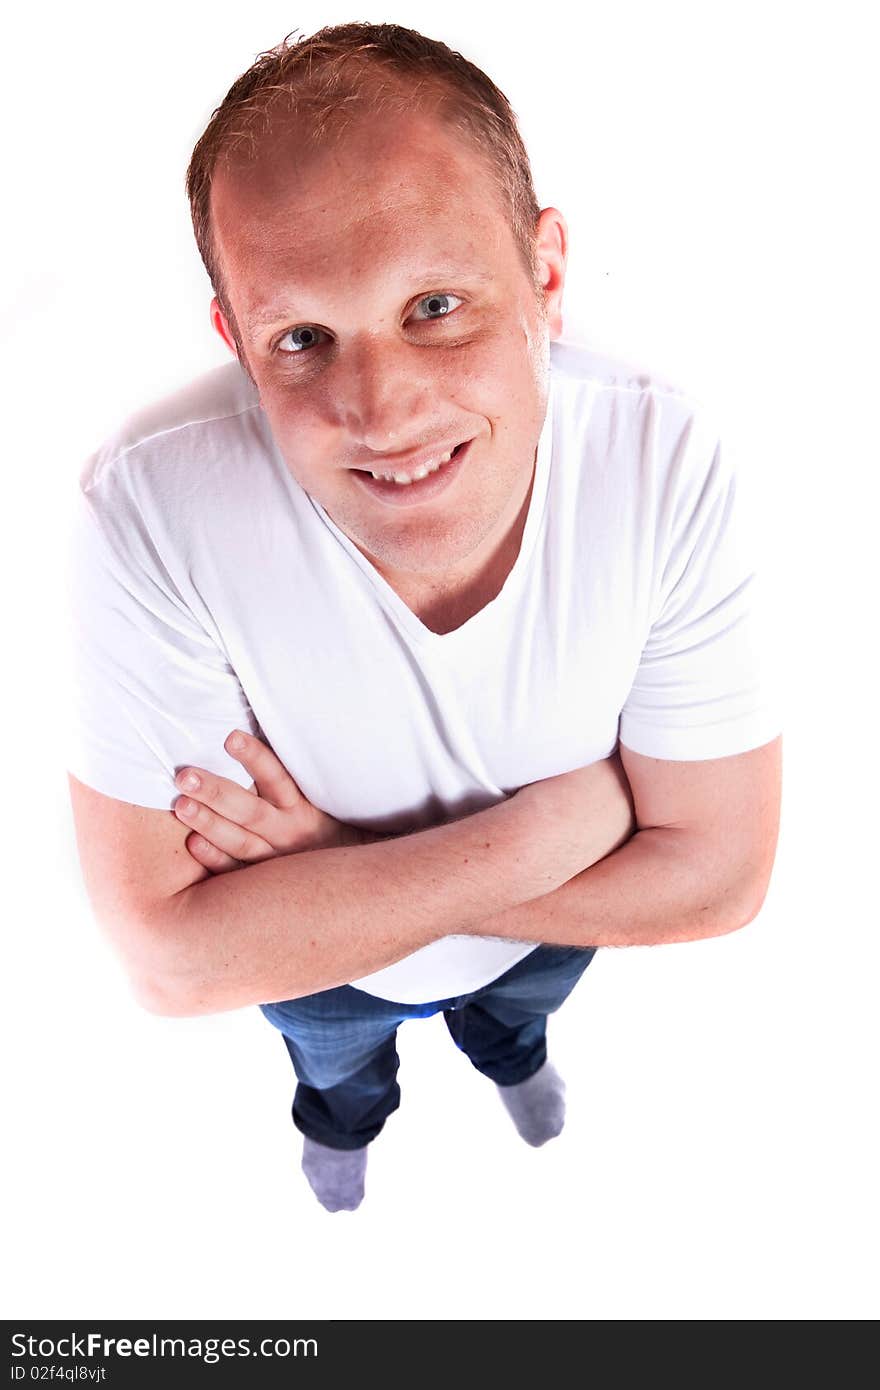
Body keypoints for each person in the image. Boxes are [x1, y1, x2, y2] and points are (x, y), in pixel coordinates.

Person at [65, 21, 782, 1214]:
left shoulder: (665, 457)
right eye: (301, 338)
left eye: (435, 305)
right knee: (336, 1069)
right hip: (329, 983)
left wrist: (336, 868)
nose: (380, 409)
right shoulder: (146, 502)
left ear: (545, 274)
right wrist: (575, 824)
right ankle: (345, 1131)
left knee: (518, 1015)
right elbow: (171, 961)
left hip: (535, 939)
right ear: (236, 340)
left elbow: (720, 883)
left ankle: (513, 1066)